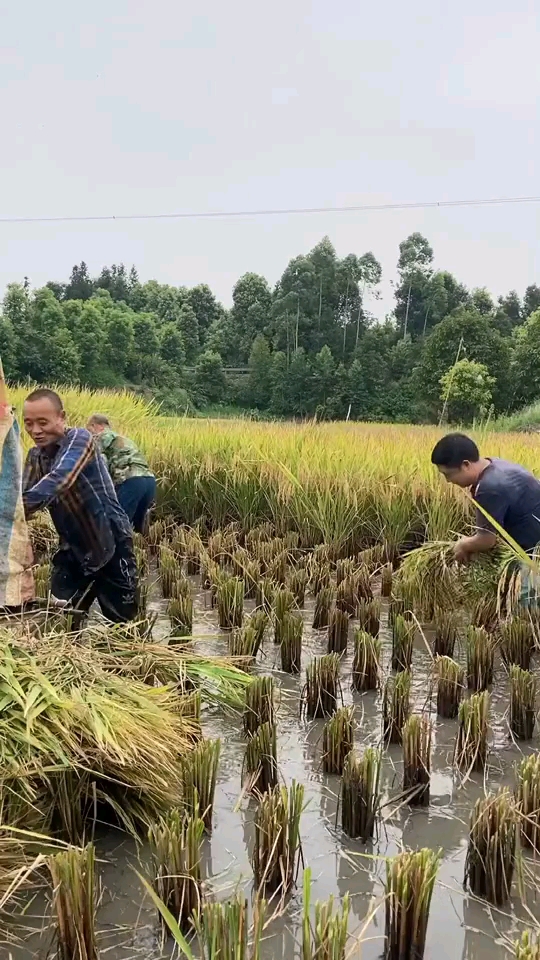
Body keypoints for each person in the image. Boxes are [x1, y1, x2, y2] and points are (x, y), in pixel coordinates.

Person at [22, 388, 137, 623]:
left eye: (43, 422)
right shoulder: (36, 456)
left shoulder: (80, 439)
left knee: (123, 624)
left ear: (62, 417)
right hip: (73, 548)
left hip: (110, 541)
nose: (35, 430)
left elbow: (60, 479)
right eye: (28, 423)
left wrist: (11, 509)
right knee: (60, 618)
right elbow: (23, 500)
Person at [431, 432, 540, 604]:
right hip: (530, 538)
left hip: (532, 551)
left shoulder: (489, 487)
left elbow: (487, 540)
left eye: (448, 474)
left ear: (466, 465)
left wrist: (462, 544)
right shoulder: (495, 464)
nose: (448, 481)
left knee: (526, 604)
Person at [87, 414, 156, 535]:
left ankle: (118, 553)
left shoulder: (101, 437)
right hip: (149, 482)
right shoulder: (124, 439)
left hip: (131, 482)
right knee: (136, 527)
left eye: (89, 430)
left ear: (94, 426)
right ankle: (140, 551)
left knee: (117, 526)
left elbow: (99, 463)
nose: (90, 434)